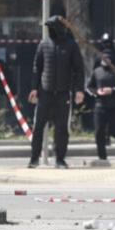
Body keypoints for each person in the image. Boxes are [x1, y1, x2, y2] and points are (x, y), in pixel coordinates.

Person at [27, 15, 85, 169]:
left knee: (61, 129)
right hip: (44, 93)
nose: (50, 31)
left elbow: (79, 69)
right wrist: (34, 88)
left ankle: (60, 159)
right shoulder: (43, 44)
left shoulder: (71, 45)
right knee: (38, 127)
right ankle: (34, 159)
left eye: (52, 28)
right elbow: (36, 68)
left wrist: (79, 90)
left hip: (63, 94)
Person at [86, 49, 115, 161]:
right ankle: (102, 156)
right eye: (104, 58)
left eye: (108, 58)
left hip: (114, 106)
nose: (106, 60)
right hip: (100, 105)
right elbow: (89, 87)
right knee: (99, 132)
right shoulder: (96, 72)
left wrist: (112, 90)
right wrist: (97, 92)